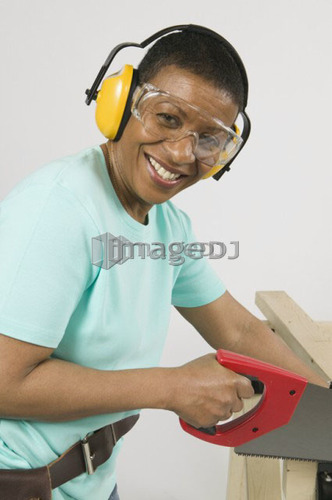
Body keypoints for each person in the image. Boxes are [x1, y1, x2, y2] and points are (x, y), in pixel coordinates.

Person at [0, 25, 328, 500]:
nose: (181, 154)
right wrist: (170, 388)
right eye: (167, 118)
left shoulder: (167, 228)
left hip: (88, 483)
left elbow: (239, 332)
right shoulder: (58, 210)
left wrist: (325, 406)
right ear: (120, 103)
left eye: (209, 139)